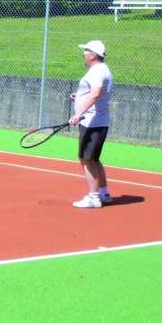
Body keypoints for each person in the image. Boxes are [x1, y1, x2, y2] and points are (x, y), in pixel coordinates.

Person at [68, 39, 113, 209]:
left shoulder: (96, 71)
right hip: (96, 121)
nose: (84, 55)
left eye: (86, 52)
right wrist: (79, 96)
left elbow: (95, 94)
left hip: (92, 122)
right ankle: (104, 193)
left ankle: (94, 197)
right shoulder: (102, 69)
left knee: (87, 160)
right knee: (93, 159)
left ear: (93, 56)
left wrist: (78, 114)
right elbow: (93, 92)